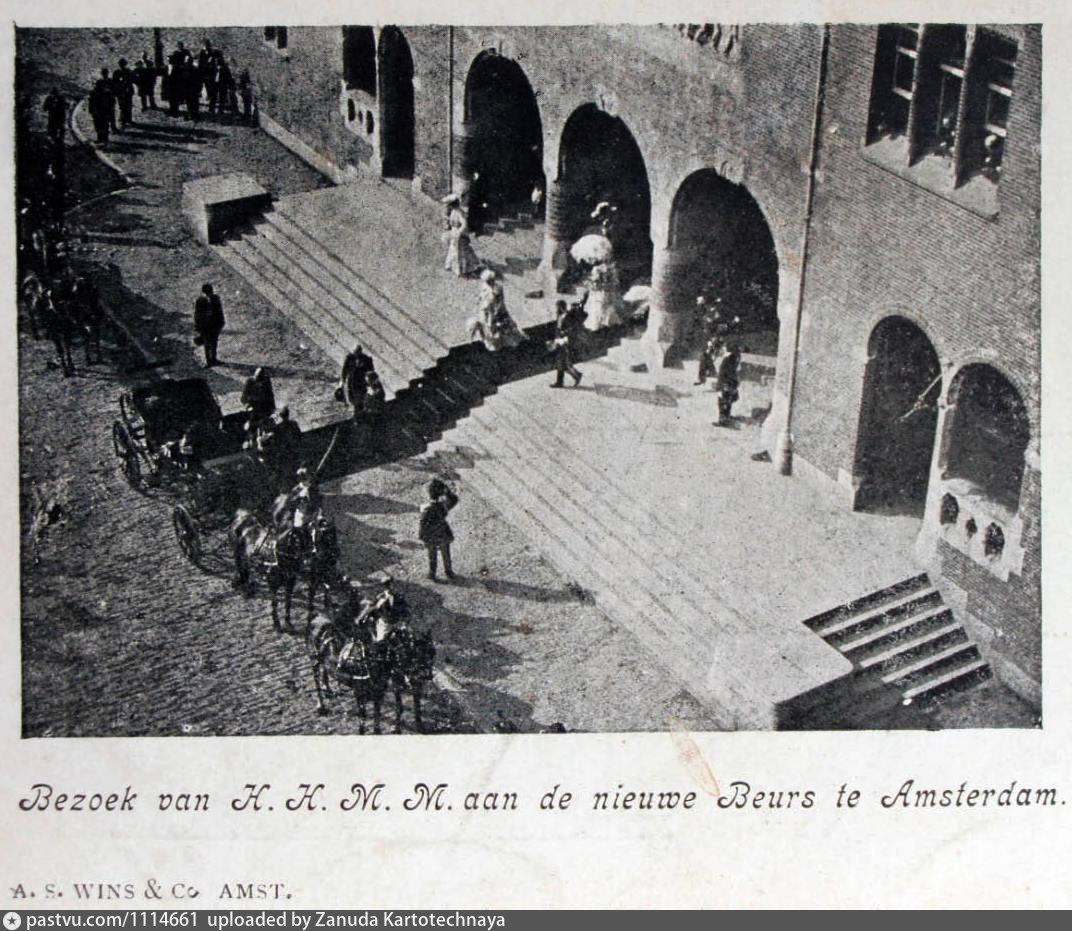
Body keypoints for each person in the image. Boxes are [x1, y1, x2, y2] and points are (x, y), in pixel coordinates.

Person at [468, 269, 525, 351]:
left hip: (494, 311)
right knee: (488, 326)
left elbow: (496, 303)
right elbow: (482, 296)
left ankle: (502, 342)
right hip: (486, 310)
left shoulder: (496, 289)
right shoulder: (487, 286)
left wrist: (491, 317)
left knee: (496, 327)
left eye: (489, 281)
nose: (487, 283)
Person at [418, 478, 458, 582]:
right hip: (443, 532)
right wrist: (447, 491)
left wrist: (422, 536)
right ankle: (449, 571)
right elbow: (454, 499)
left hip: (431, 536)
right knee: (446, 553)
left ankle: (432, 574)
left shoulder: (426, 509)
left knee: (432, 555)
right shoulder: (443, 506)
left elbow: (423, 525)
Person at [550, 297, 586, 388]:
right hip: (560, 341)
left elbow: (571, 328)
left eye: (557, 307)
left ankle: (571, 377)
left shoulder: (566, 316)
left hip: (564, 341)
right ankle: (571, 377)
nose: (556, 309)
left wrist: (563, 333)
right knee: (561, 362)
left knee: (563, 362)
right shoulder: (560, 316)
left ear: (560, 307)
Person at [443, 194, 479, 278]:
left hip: (459, 234)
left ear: (453, 204)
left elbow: (464, 224)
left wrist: (459, 232)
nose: (448, 207)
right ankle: (451, 265)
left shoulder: (460, 213)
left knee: (460, 250)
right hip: (454, 232)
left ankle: (464, 268)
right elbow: (451, 222)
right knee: (453, 248)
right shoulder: (453, 211)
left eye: (449, 205)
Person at [241, 366, 276, 443]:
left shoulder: (266, 381)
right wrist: (248, 406)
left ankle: (265, 441)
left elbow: (270, 394)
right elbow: (243, 398)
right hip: (253, 408)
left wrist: (273, 407)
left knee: (266, 427)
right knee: (252, 427)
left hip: (265, 408)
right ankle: (251, 441)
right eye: (258, 379)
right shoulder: (249, 382)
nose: (260, 383)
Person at [193, 283, 224, 366]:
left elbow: (219, 311)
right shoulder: (200, 301)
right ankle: (209, 361)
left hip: (214, 325)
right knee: (207, 344)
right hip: (205, 326)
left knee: (213, 343)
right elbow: (197, 315)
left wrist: (221, 322)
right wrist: (198, 327)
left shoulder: (215, 299)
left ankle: (213, 359)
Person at [338, 344, 374, 415]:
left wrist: (369, 379)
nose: (356, 354)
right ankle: (356, 407)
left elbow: (371, 370)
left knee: (361, 395)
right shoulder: (349, 358)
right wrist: (343, 380)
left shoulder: (366, 359)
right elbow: (344, 370)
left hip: (361, 381)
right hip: (352, 380)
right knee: (352, 394)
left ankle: (360, 409)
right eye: (355, 352)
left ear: (360, 352)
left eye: (358, 352)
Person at [713, 344, 741, 426]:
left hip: (725, 383)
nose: (722, 348)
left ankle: (722, 420)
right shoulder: (732, 357)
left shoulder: (729, 357)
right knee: (727, 400)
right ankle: (727, 416)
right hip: (727, 382)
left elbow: (728, 372)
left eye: (723, 347)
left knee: (723, 401)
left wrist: (725, 384)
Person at [87, 70, 114, 143]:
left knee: (102, 125)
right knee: (100, 125)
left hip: (102, 111)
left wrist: (110, 110)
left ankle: (103, 139)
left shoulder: (105, 93)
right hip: (99, 111)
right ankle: (102, 138)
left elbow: (111, 102)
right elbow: (91, 102)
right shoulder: (95, 93)